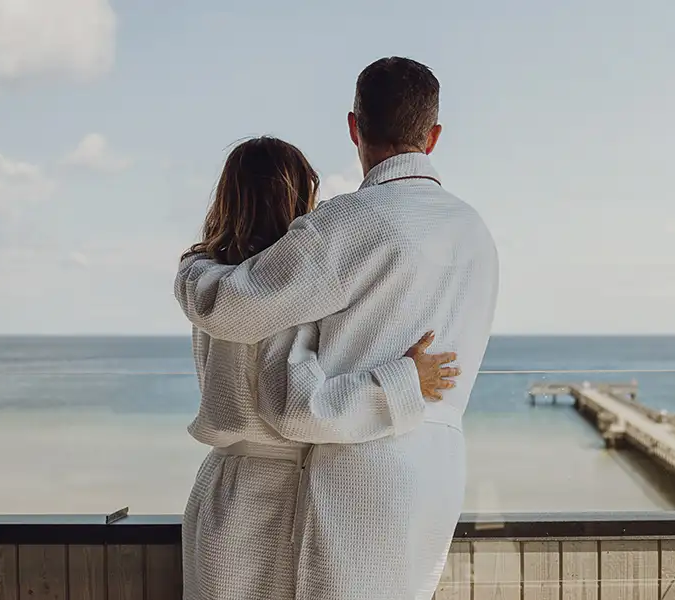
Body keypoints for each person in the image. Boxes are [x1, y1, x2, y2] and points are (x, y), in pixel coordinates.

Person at [176, 57, 500, 599]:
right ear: (434, 135)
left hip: (359, 471)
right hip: (438, 477)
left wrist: (194, 268)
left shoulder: (346, 224)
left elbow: (236, 308)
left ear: (355, 126)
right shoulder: (476, 233)